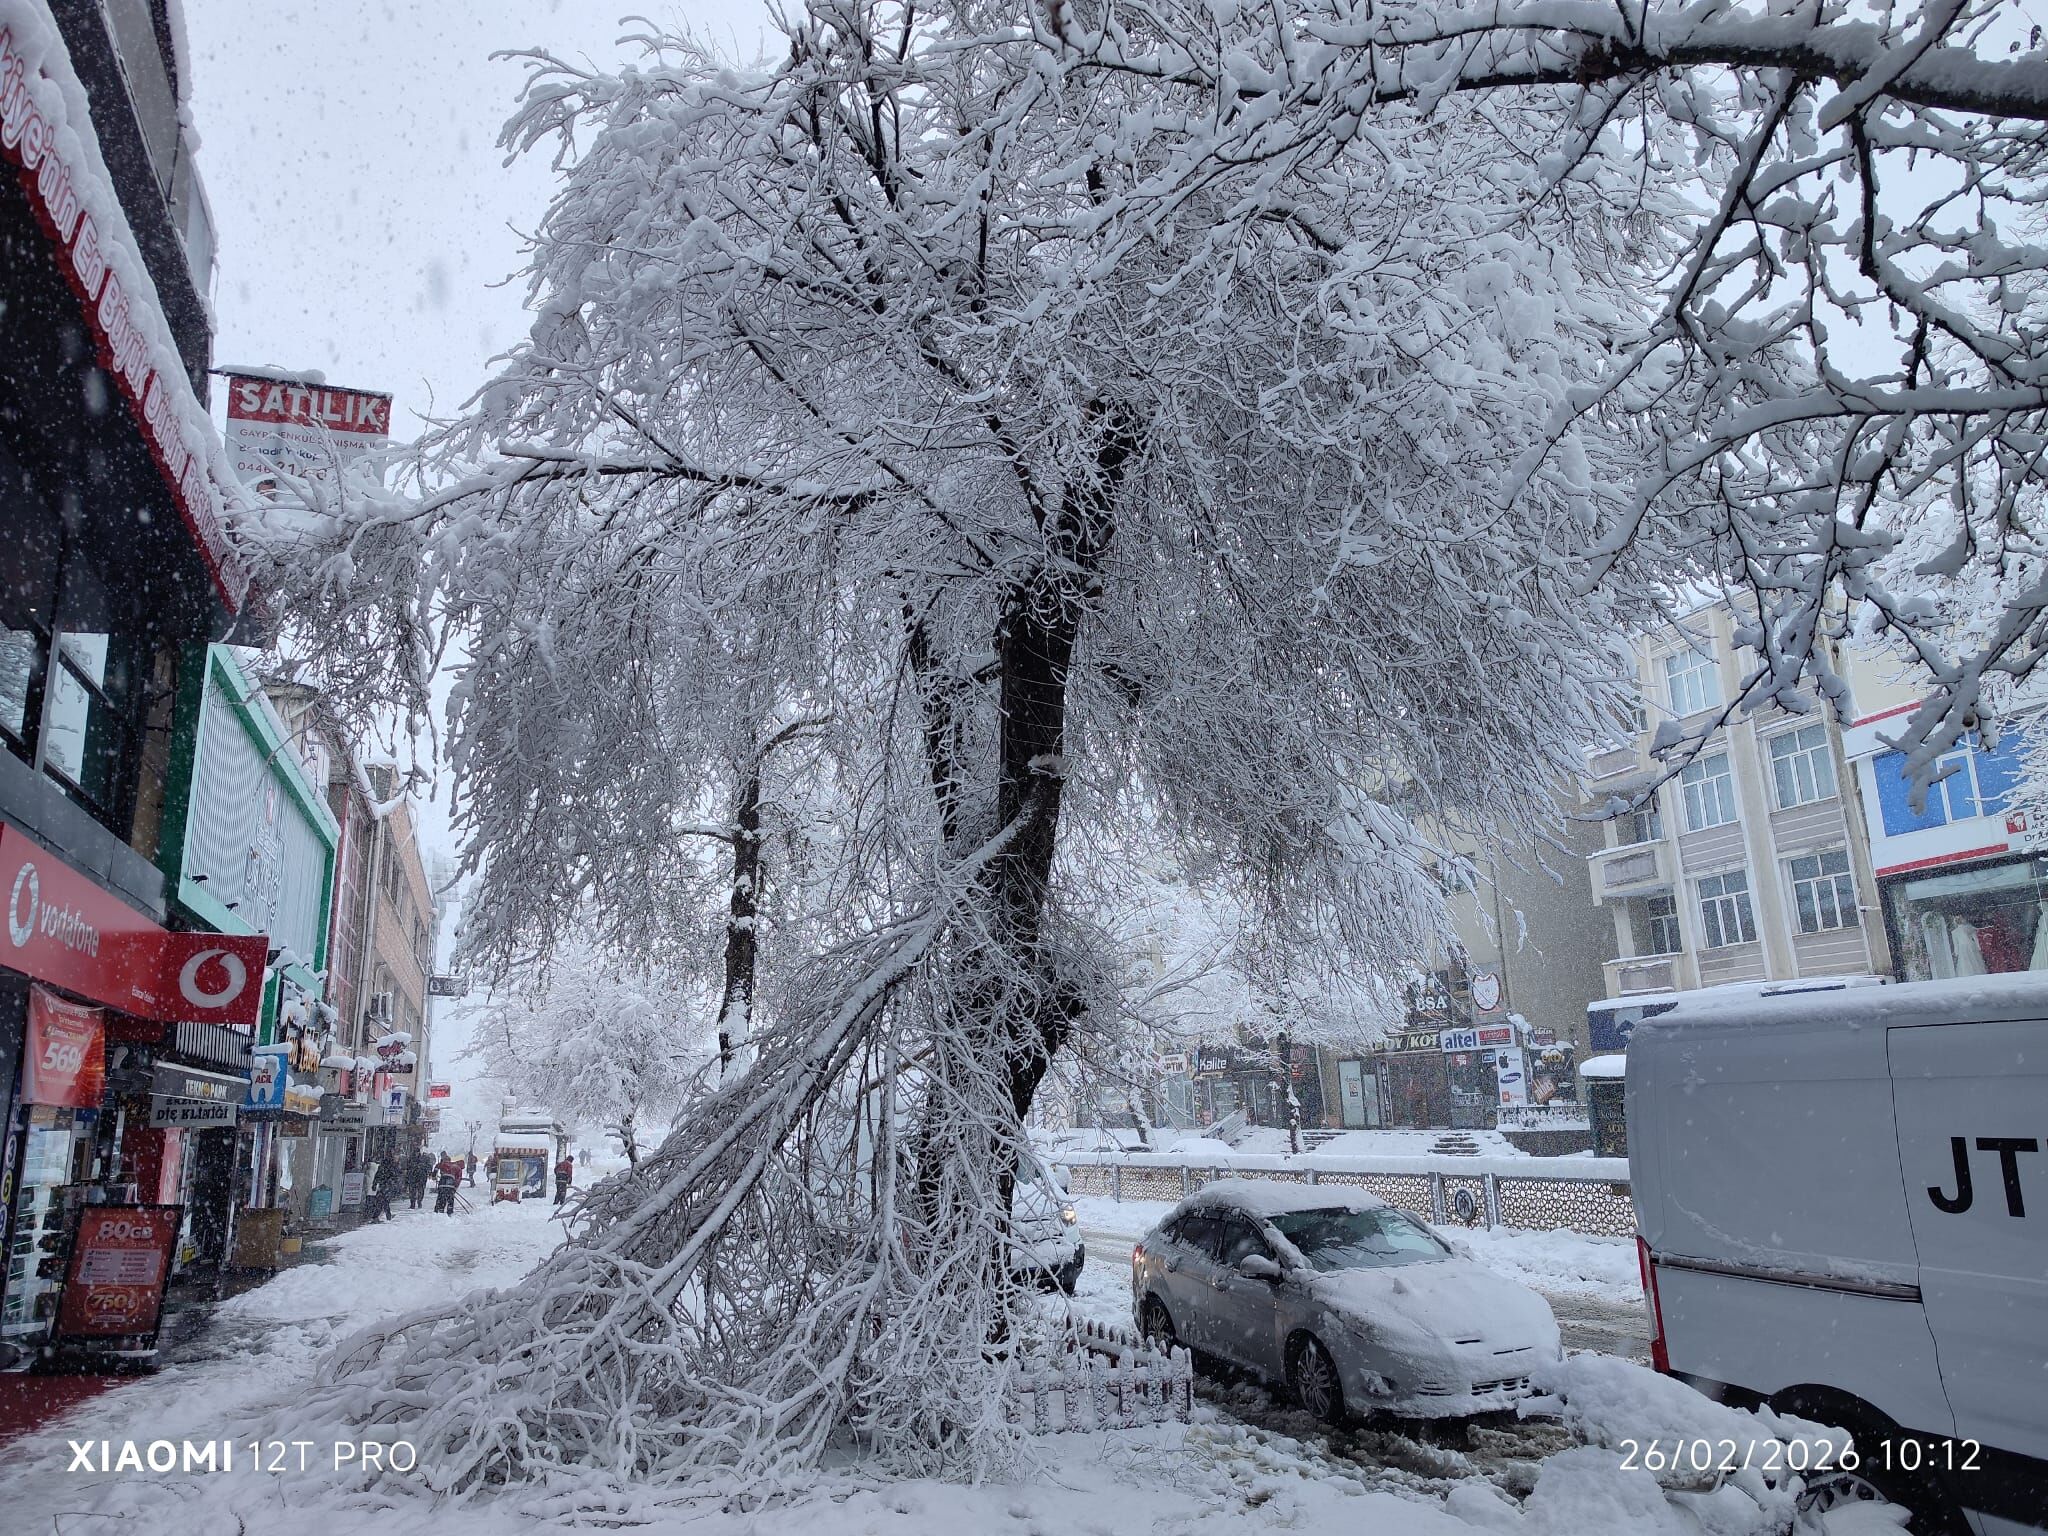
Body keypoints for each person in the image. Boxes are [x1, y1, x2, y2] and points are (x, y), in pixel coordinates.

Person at [434, 1151, 464, 1215]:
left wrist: (434, 1175)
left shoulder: (441, 1164)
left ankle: (439, 1210)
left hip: (442, 1184)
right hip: (451, 1185)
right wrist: (455, 1186)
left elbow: (436, 1169)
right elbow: (459, 1178)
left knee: (441, 1197)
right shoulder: (456, 1166)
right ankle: (449, 1211)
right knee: (450, 1198)